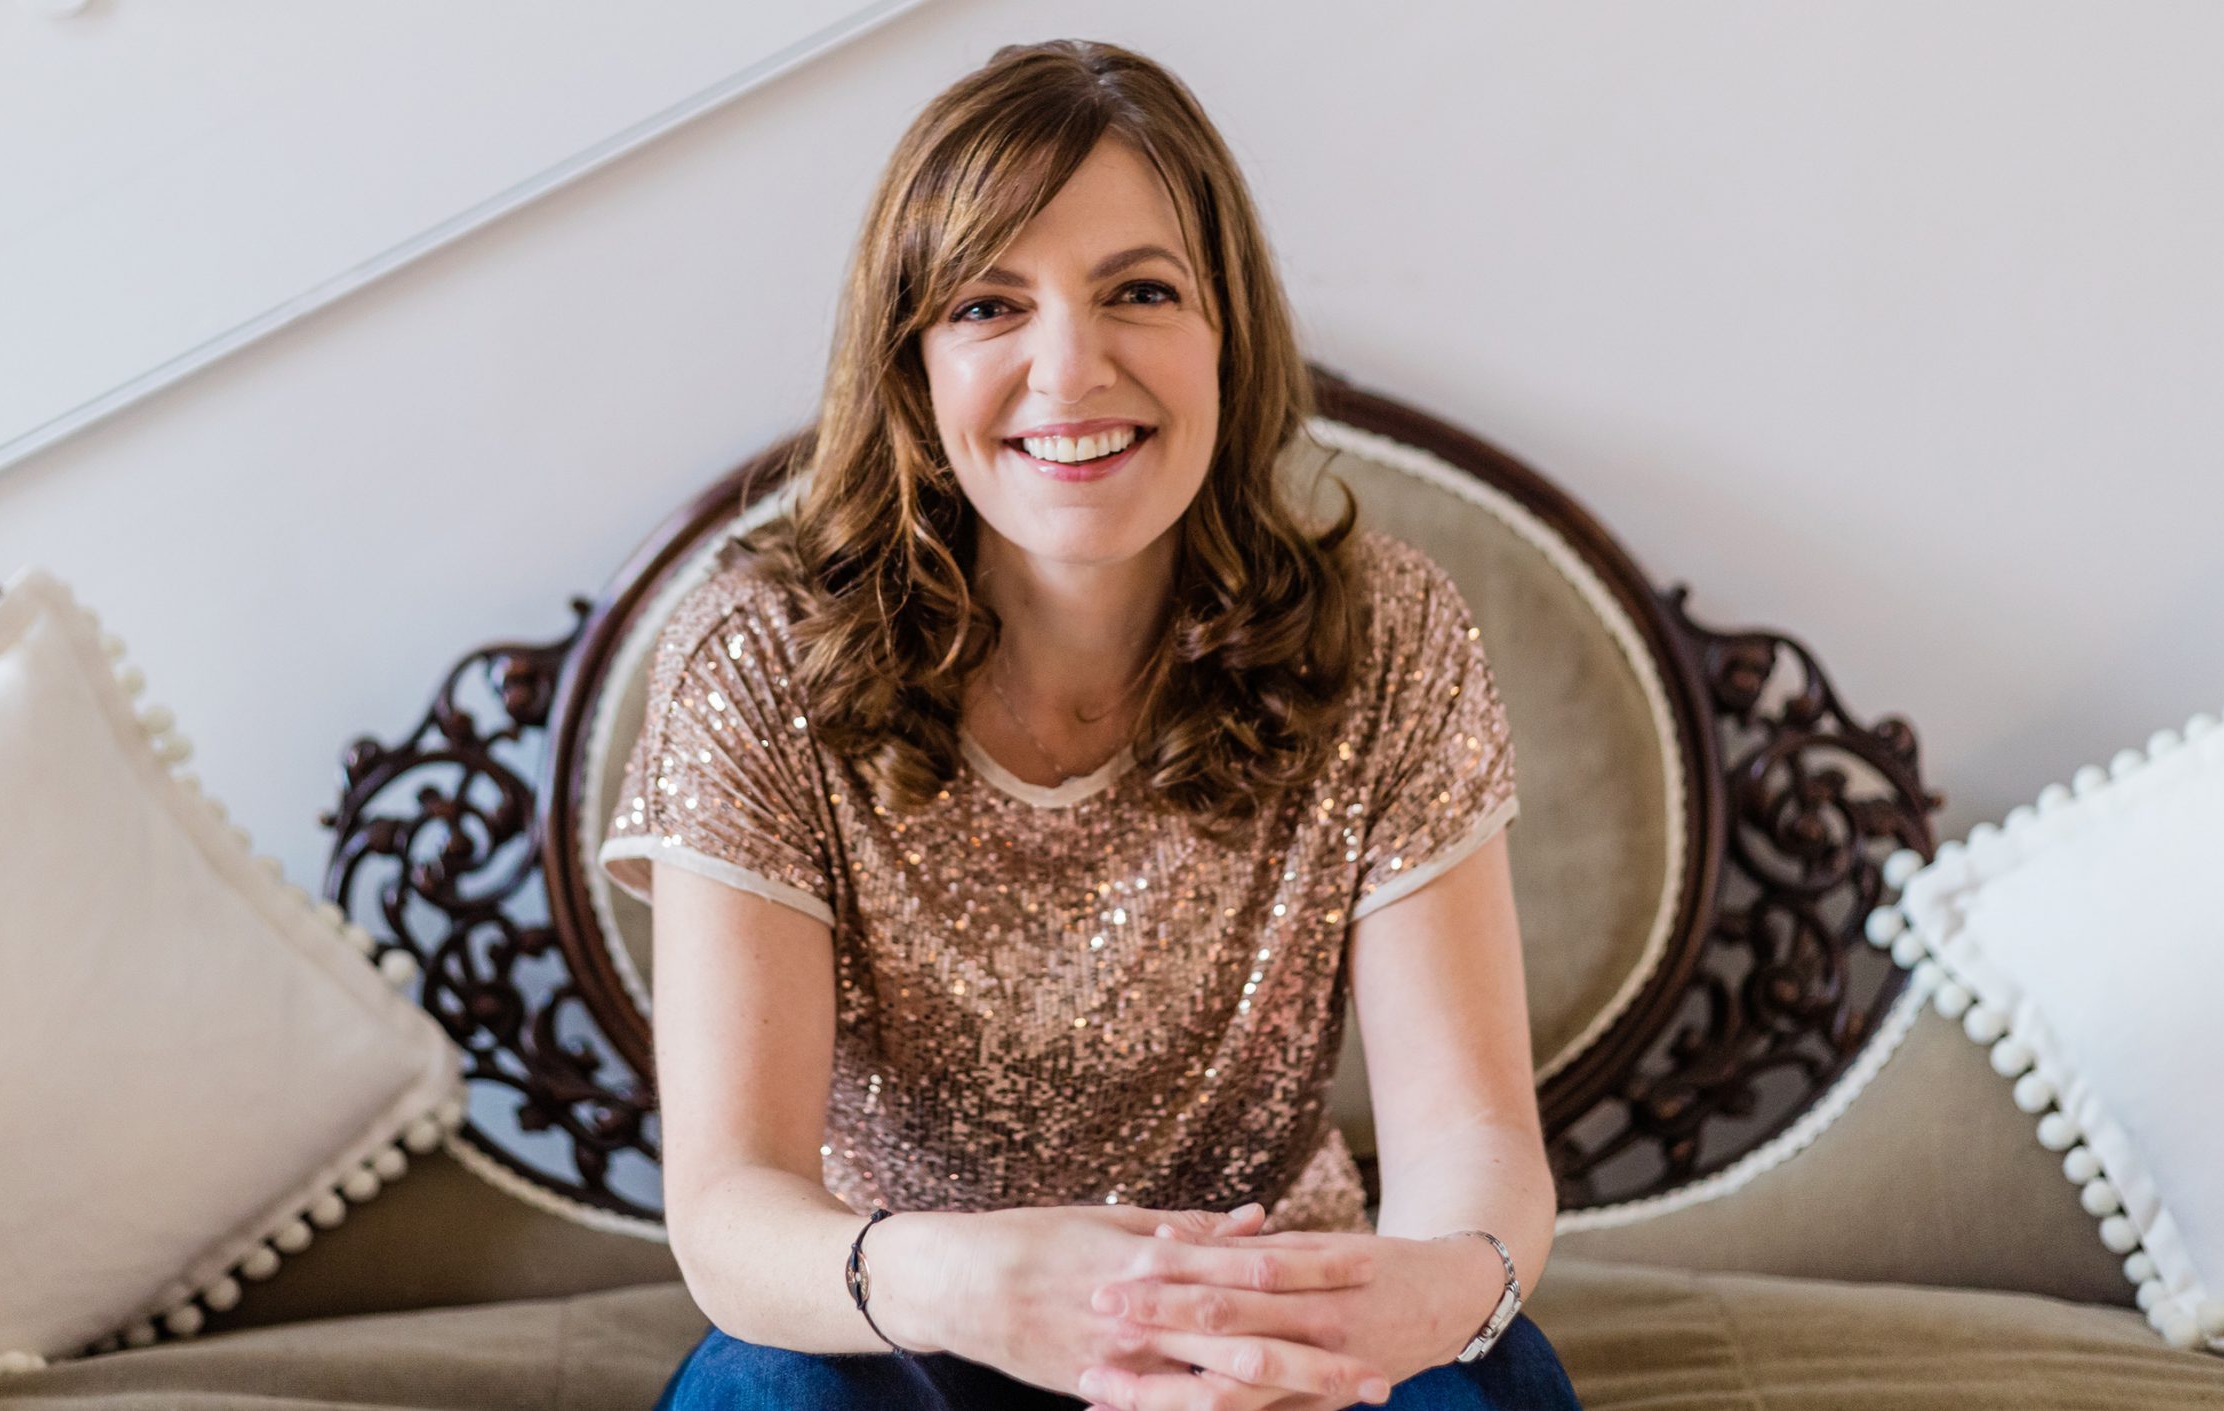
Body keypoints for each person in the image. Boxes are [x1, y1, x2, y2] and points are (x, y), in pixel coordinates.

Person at [598, 36, 1582, 1411]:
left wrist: (1427, 1292)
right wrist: (983, 1286)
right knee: (772, 1388)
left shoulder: (1387, 634)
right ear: (911, 365)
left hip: (1268, 1330)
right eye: (990, 306)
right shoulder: (756, 659)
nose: (1071, 370)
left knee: (1486, 1372)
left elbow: (1471, 1137)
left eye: (1140, 291)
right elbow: (729, 1207)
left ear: (1229, 334)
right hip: (912, 1323)